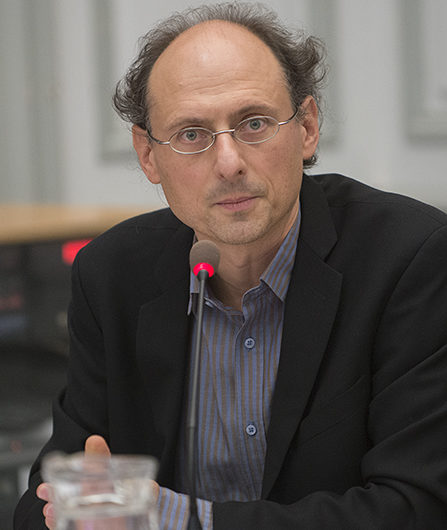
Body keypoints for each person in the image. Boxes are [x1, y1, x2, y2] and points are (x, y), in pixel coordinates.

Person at [14, 2, 447, 529]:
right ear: (148, 155)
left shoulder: (410, 259)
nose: (229, 163)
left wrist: (172, 518)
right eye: (191, 134)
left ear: (308, 127)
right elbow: (44, 500)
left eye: (254, 123)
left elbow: (418, 507)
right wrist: (76, 513)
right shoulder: (111, 276)